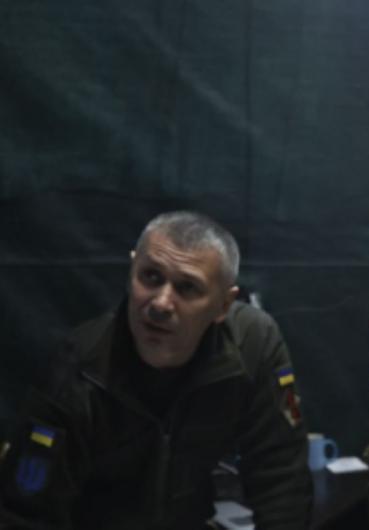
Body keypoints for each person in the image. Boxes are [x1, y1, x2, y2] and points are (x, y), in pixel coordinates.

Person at [0, 211, 312, 529]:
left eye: (187, 288)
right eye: (150, 277)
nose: (161, 303)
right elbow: (25, 513)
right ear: (131, 270)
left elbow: (282, 474)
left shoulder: (252, 344)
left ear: (223, 306)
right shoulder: (80, 369)